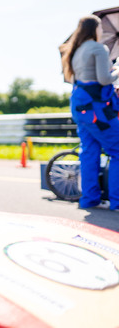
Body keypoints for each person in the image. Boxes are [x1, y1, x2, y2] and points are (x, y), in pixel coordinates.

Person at [60, 15, 119, 210]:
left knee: (89, 153)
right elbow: (104, 79)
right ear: (95, 29)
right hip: (98, 110)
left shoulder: (75, 51)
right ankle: (117, 201)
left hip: (80, 108)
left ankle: (89, 199)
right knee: (118, 150)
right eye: (100, 27)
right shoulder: (98, 48)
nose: (102, 31)